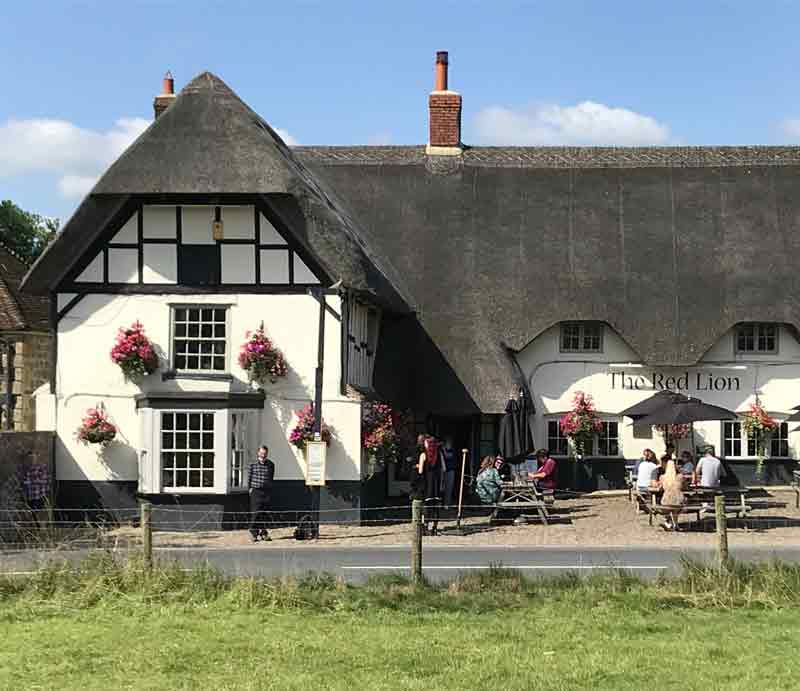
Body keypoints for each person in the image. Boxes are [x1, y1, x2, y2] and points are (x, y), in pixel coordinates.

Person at [248, 445, 275, 542]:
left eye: (265, 453)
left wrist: (269, 489)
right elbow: (249, 477)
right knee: (255, 513)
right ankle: (253, 533)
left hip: (266, 491)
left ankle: (263, 533)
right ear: (258, 453)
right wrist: (250, 489)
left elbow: (271, 478)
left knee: (264, 513)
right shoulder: (252, 464)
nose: (263, 455)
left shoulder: (271, 464)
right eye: (261, 453)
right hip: (256, 491)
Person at [659, 459, 686, 531]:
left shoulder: (662, 477)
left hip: (665, 502)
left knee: (668, 505)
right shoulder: (680, 477)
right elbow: (685, 487)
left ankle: (669, 523)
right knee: (676, 507)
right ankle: (675, 524)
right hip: (679, 502)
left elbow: (660, 488)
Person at [441, 438, 458, 507]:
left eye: (450, 442)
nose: (449, 444)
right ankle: (442, 503)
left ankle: (447, 503)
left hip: (450, 471)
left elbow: (448, 456)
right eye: (448, 442)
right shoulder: (441, 450)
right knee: (442, 488)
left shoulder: (452, 450)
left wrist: (444, 449)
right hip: (442, 471)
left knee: (449, 488)